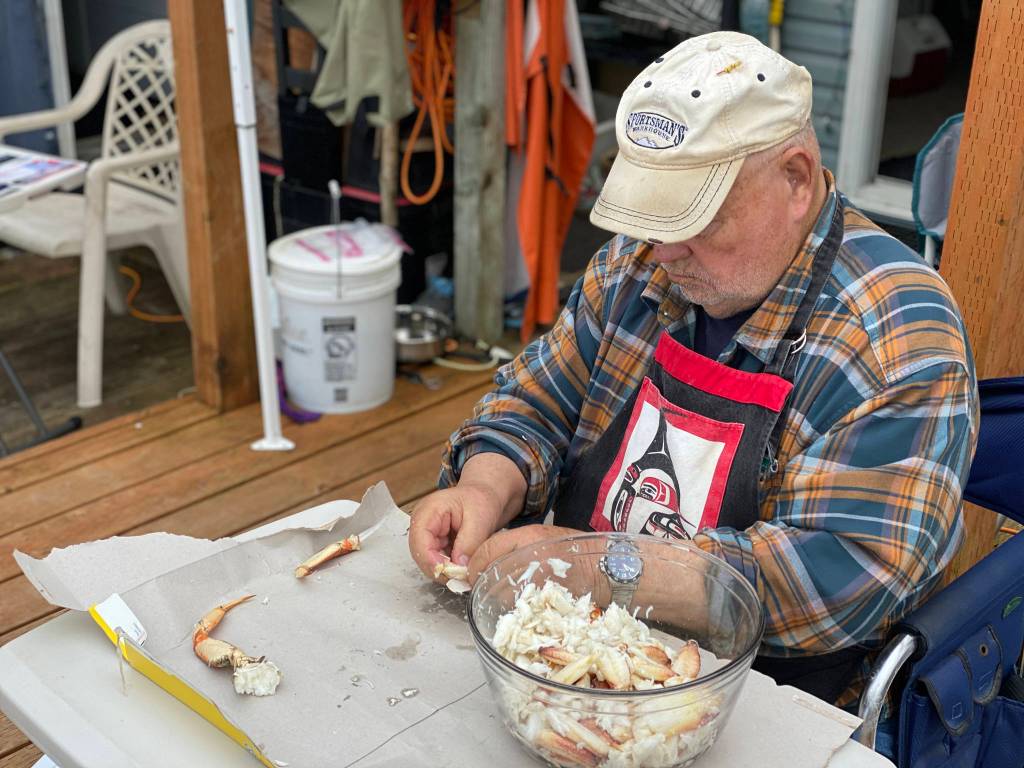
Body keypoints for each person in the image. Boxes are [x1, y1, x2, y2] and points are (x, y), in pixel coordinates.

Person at [408, 31, 979, 705]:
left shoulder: (899, 335)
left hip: (774, 695)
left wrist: (588, 564)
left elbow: (837, 578)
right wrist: (483, 489)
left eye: (696, 218)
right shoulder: (638, 263)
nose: (664, 251)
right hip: (573, 651)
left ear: (795, 179)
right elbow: (535, 400)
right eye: (653, 216)